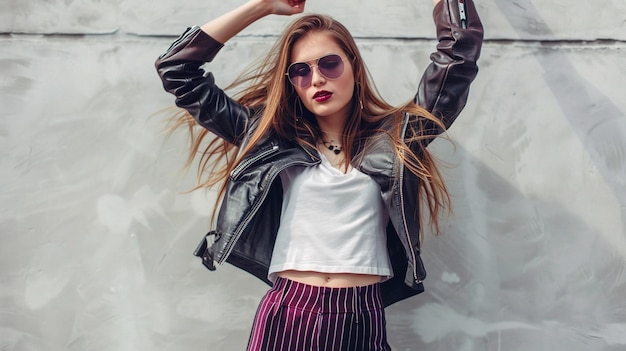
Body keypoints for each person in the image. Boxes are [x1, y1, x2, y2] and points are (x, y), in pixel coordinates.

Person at [155, 0, 483, 349]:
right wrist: (262, 6)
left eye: (329, 64)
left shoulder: (398, 136)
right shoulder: (269, 138)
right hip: (289, 312)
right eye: (301, 71)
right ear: (292, 83)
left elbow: (458, 57)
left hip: (362, 313)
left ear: (354, 68)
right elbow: (177, 68)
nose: (317, 79)